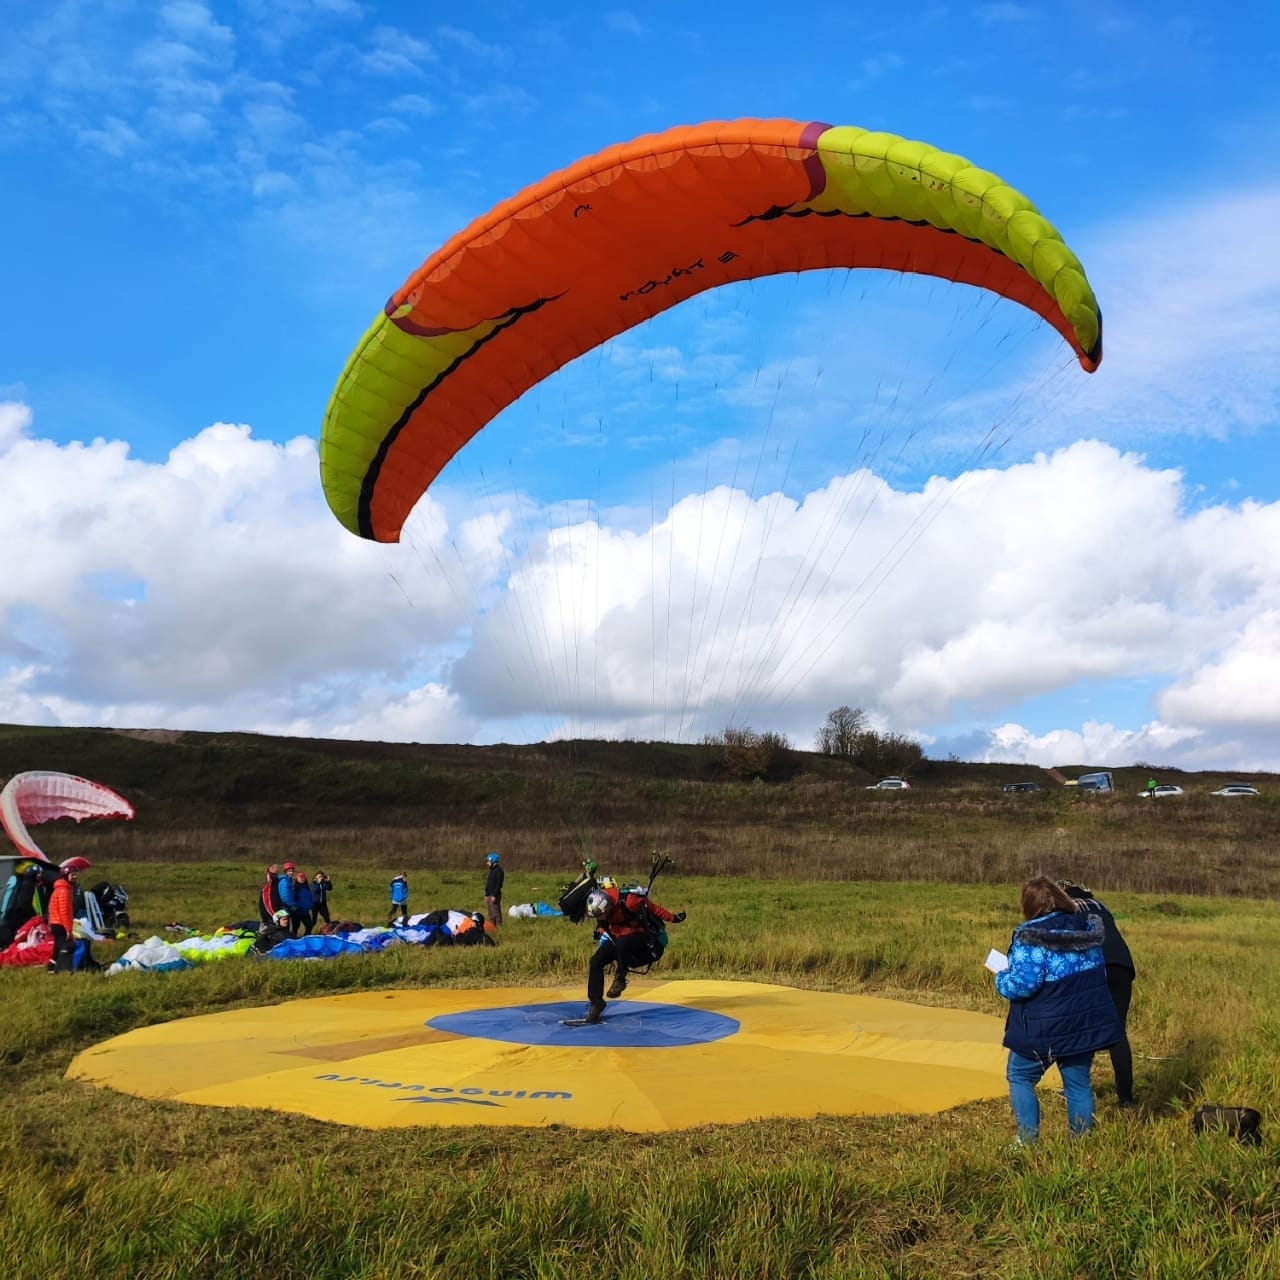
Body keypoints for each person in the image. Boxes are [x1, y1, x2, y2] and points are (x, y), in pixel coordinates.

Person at [994, 877, 1122, 1144]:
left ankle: (1027, 1142)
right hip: (1085, 1025)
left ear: (1029, 905)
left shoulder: (1029, 938)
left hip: (1045, 1026)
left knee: (1019, 1075)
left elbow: (1022, 986)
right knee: (1078, 1085)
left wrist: (1001, 977)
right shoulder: (1088, 930)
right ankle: (1082, 1145)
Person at [1059, 879, 1137, 1109]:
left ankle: (1074, 1089)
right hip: (1122, 966)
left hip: (1093, 966)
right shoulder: (1101, 906)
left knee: (1082, 1028)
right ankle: (1126, 1098)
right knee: (1117, 1033)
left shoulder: (1066, 908)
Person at [580, 884, 685, 1024]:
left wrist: (673, 918)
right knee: (596, 961)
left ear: (609, 906)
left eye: (602, 915)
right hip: (620, 939)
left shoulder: (630, 901)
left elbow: (652, 908)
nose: (601, 918)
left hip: (642, 940)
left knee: (623, 942)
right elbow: (606, 929)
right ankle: (596, 1003)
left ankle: (620, 978)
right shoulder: (601, 911)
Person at [48, 857, 91, 974]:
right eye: (72, 875)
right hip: (60, 924)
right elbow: (65, 911)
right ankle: (61, 968)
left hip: (56, 922)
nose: (75, 877)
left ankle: (53, 967)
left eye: (76, 874)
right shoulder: (64, 891)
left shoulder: (61, 889)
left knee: (58, 946)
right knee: (63, 947)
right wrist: (68, 929)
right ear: (66, 876)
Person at [484, 851, 504, 928]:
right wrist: (486, 895)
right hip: (489, 895)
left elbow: (499, 885)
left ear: (493, 862)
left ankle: (499, 928)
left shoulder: (499, 871)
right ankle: (492, 928)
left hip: (494, 895)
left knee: (496, 914)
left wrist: (494, 895)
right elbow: (489, 884)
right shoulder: (492, 871)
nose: (487, 863)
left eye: (489, 861)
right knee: (491, 915)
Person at [292, 871, 313, 936]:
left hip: (306, 912)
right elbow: (292, 900)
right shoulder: (294, 889)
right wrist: (297, 907)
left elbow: (310, 898)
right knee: (295, 927)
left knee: (309, 926)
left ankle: (305, 939)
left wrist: (310, 905)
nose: (302, 878)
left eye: (303, 877)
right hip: (297, 912)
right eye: (300, 877)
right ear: (296, 879)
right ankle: (294, 940)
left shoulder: (307, 888)